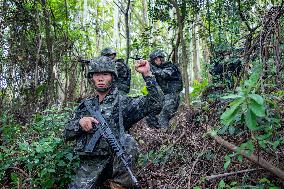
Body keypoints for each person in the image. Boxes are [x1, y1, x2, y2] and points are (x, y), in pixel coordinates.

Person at [64, 56, 163, 189]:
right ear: (91, 78)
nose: (100, 78)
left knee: (127, 141)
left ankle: (118, 185)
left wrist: (147, 74)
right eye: (96, 75)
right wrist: (80, 123)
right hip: (91, 164)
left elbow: (156, 103)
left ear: (112, 77)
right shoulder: (85, 106)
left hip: (116, 161)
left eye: (105, 74)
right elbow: (66, 133)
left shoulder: (123, 103)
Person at [146, 49, 183, 129]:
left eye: (158, 58)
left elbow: (164, 74)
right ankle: (156, 132)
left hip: (173, 96)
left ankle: (164, 135)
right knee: (149, 113)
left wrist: (150, 67)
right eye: (155, 59)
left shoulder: (171, 67)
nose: (158, 61)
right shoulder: (156, 69)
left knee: (163, 116)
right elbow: (150, 82)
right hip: (164, 97)